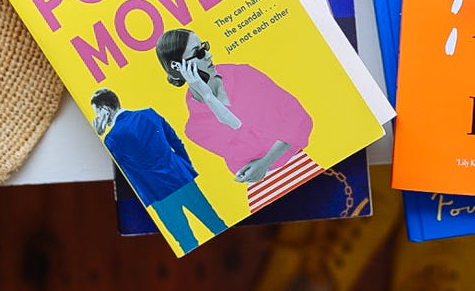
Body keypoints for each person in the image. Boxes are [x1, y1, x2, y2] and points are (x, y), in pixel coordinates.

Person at [155, 28, 318, 212]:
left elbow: (301, 119)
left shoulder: (243, 74)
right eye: (199, 53)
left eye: (204, 47)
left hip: (301, 166)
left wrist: (265, 162)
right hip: (263, 189)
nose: (209, 55)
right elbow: (248, 153)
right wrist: (210, 99)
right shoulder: (195, 129)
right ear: (178, 67)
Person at [90, 88, 227, 254]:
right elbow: (176, 143)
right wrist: (185, 169)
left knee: (186, 242)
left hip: (157, 194)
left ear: (105, 110)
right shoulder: (149, 114)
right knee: (215, 223)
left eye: (97, 112)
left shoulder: (112, 139)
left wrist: (100, 134)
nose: (97, 117)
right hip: (181, 178)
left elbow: (122, 170)